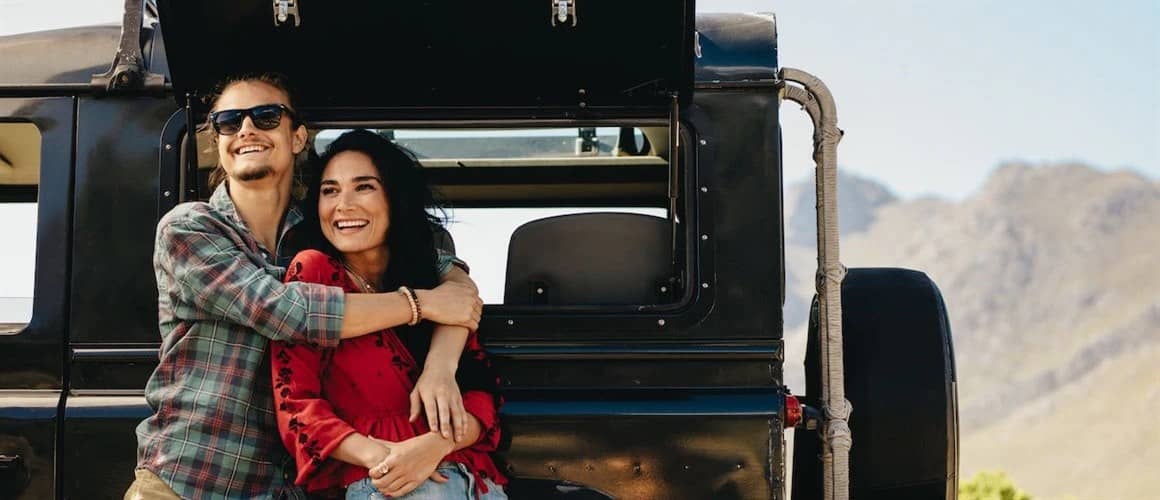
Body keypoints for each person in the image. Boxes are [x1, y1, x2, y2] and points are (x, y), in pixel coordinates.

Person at [126, 73, 483, 500]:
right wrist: (421, 304)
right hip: (191, 480)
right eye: (228, 121)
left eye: (265, 115)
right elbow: (285, 312)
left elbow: (443, 270)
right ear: (217, 142)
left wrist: (441, 362)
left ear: (297, 138)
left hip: (283, 488)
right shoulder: (190, 228)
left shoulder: (320, 230)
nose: (246, 129)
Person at [272, 130, 507, 499]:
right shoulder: (314, 272)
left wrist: (434, 446)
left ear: (395, 199)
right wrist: (389, 458)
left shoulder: (433, 279)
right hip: (384, 484)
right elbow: (296, 406)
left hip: (475, 483)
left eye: (363, 187)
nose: (343, 205)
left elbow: (481, 391)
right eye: (330, 191)